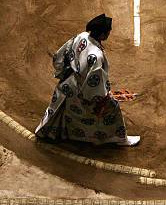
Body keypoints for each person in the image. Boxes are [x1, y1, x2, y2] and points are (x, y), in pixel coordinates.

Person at [35, 14, 140, 146]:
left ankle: (59, 133)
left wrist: (63, 72)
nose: (109, 33)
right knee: (111, 109)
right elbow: (93, 84)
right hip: (80, 90)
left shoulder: (82, 36)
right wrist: (102, 99)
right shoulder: (96, 56)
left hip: (66, 84)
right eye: (108, 31)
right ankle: (119, 139)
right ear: (102, 35)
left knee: (61, 110)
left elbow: (60, 54)